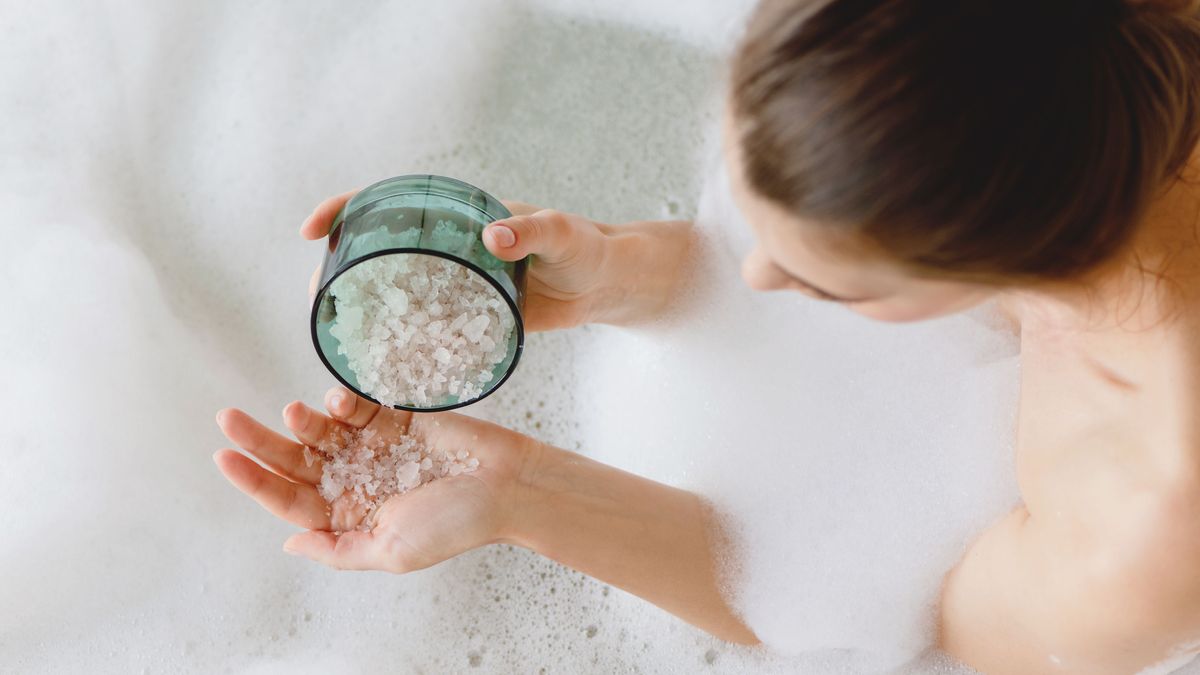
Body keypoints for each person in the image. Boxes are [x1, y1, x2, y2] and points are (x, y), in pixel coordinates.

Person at [213, 0, 1200, 672]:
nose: (757, 275)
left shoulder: (1149, 513)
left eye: (817, 282)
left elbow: (903, 613)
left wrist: (518, 498)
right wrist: (622, 269)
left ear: (1021, 269)